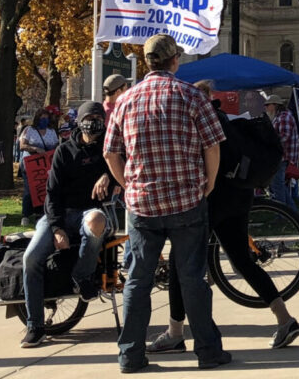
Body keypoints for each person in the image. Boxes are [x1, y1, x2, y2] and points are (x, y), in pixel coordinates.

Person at [103, 34, 230, 372]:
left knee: (138, 280)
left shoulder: (125, 101)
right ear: (175, 60)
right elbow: (213, 146)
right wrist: (210, 182)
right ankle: (208, 351)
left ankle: (130, 355)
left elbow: (109, 152)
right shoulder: (190, 96)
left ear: (147, 63)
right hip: (187, 200)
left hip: (143, 204)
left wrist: (126, 182)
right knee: (192, 278)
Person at [148, 81, 299, 354]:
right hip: (238, 195)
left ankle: (174, 332)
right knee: (242, 260)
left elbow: (205, 157)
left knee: (179, 261)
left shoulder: (203, 119)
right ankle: (285, 319)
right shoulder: (224, 117)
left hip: (213, 197)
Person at [20, 100, 120, 349]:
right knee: (30, 258)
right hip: (60, 214)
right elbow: (51, 194)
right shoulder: (65, 151)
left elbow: (127, 160)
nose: (95, 122)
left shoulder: (110, 147)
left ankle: (82, 276)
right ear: (80, 121)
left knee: (96, 221)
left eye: (99, 117)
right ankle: (35, 325)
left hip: (92, 212)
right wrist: (56, 228)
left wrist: (109, 174)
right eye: (90, 117)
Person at [18, 108, 60, 225]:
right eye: (42, 118)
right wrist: (35, 149)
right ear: (37, 119)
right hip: (30, 164)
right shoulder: (29, 130)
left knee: (44, 189)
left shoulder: (51, 131)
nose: (44, 120)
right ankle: (25, 215)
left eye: (46, 118)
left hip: (46, 165)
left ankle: (40, 213)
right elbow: (22, 145)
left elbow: (57, 145)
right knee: (30, 189)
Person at [264, 93, 299, 207]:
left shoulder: (284, 117)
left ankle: (282, 214)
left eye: (267, 105)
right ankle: (290, 213)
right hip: (281, 156)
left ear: (275, 105)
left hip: (283, 156)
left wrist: (269, 144)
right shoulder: (279, 117)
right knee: (278, 185)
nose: (266, 108)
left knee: (277, 185)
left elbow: (284, 138)